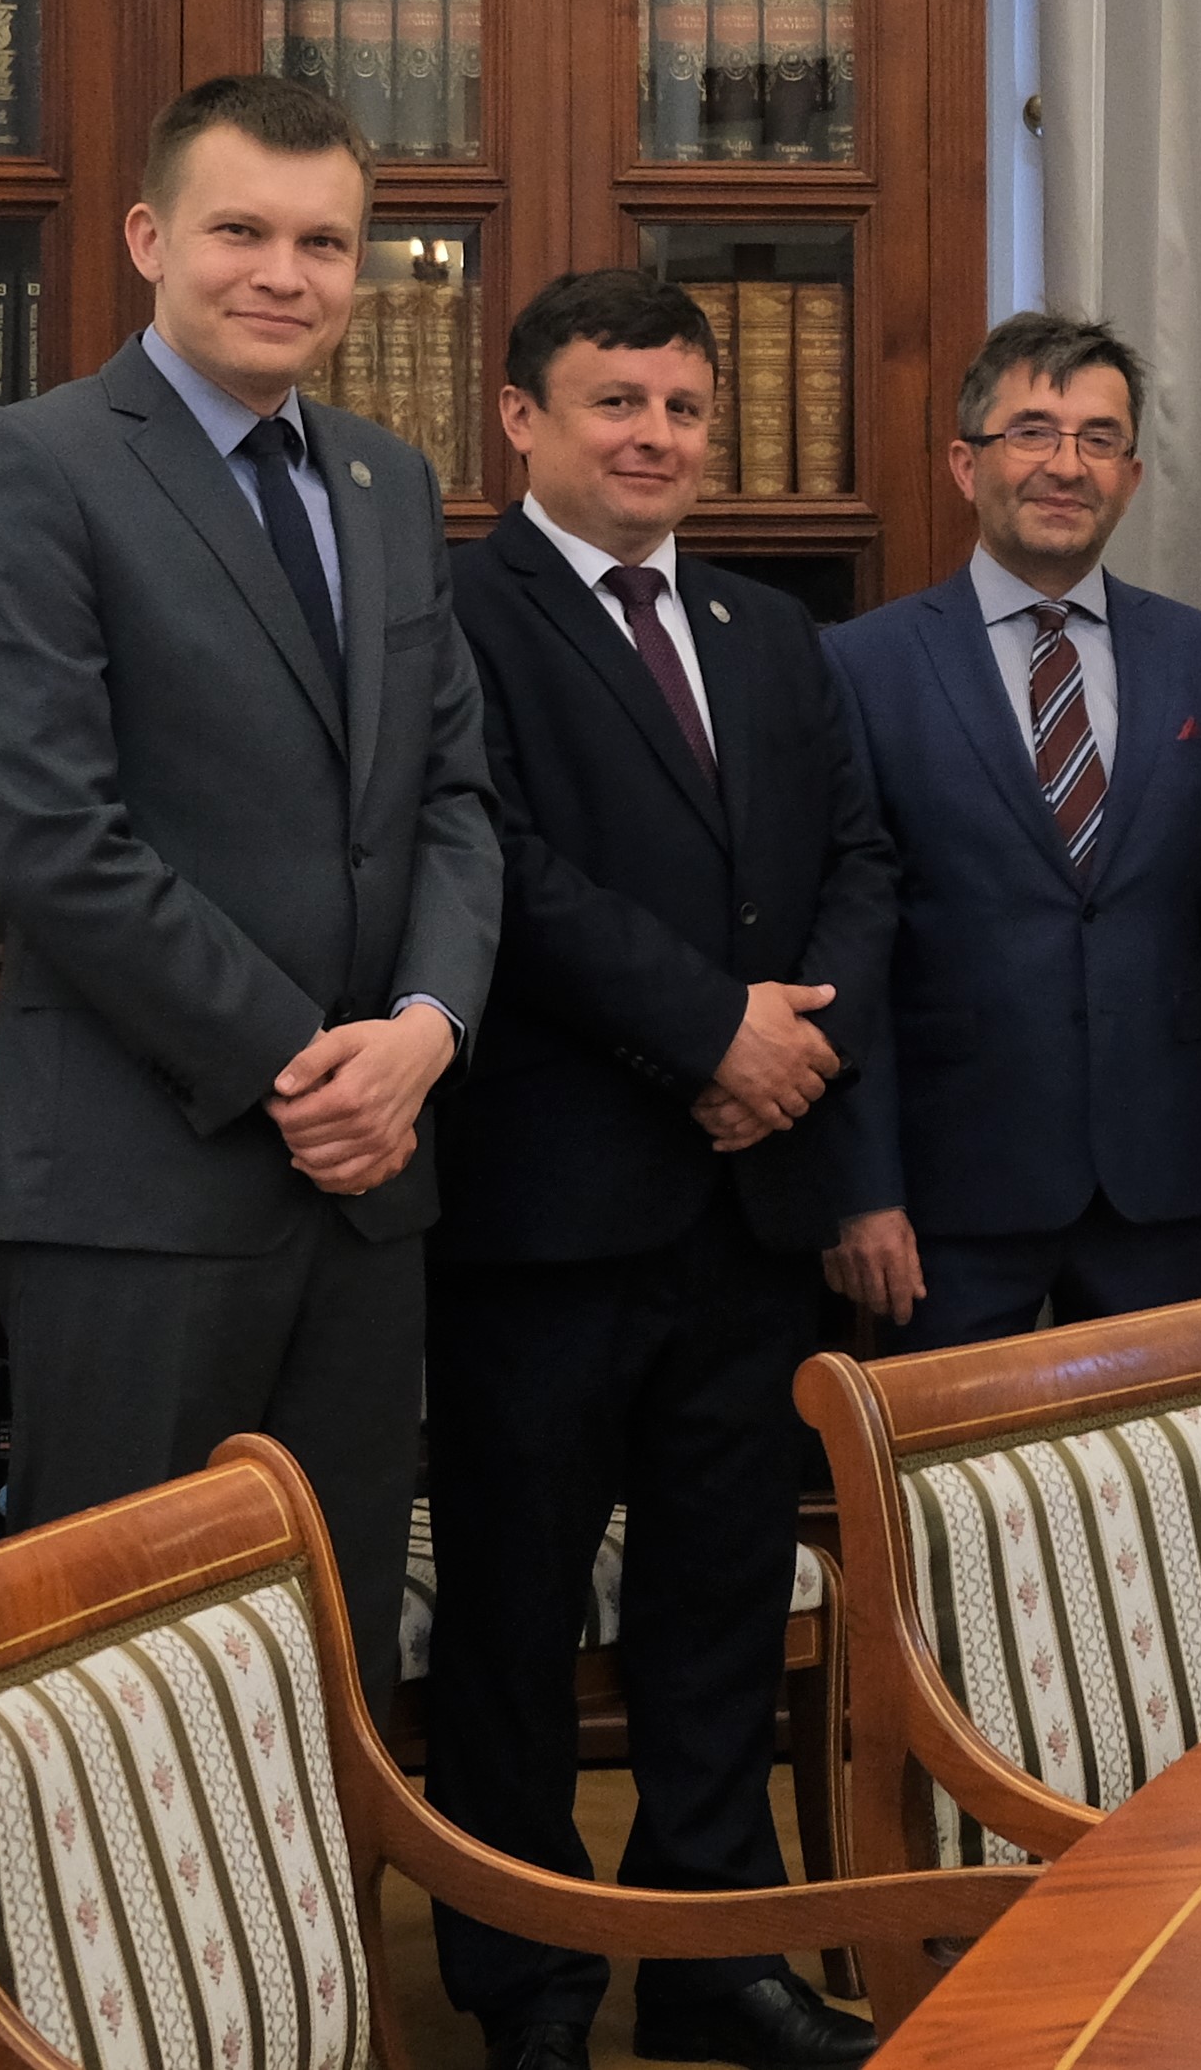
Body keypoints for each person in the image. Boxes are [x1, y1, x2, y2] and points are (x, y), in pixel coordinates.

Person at [0, 72, 497, 1671]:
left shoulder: (388, 480)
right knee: (122, 1670)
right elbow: (51, 837)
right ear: (148, 238)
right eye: (240, 229)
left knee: (332, 1657)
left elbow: (456, 802)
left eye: (324, 242)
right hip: (146, 1188)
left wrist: (425, 1031)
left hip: (372, 1181)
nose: (283, 273)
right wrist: (300, 1061)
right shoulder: (33, 463)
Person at [424, 272, 896, 2070]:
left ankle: (713, 1960)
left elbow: (860, 861)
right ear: (521, 420)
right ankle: (530, 1986)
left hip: (746, 1206)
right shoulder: (452, 615)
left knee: (720, 1601)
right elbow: (502, 867)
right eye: (615, 402)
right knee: (513, 1619)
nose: (656, 436)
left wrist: (793, 1054)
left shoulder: (771, 628)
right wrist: (710, 1034)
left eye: (683, 407)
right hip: (547, 1209)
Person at [818, 312, 1201, 1344]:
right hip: (947, 1188)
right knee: (956, 1453)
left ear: (1130, 477)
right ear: (966, 464)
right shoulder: (863, 666)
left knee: (1155, 1449)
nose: (1066, 464)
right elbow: (844, 952)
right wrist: (859, 1187)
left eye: (1099, 439)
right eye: (1032, 432)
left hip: (1158, 1177)